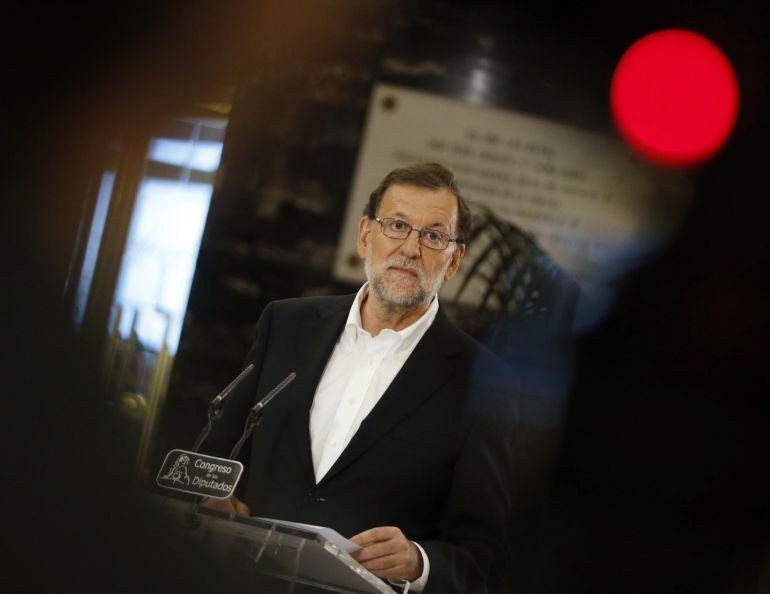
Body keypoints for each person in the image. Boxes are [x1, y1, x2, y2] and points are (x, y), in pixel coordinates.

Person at [204, 162, 516, 594]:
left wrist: (418, 563)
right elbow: (220, 455)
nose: (410, 248)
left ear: (453, 260)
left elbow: (484, 555)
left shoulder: (486, 383)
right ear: (366, 236)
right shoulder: (285, 324)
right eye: (397, 225)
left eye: (433, 236)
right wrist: (213, 502)